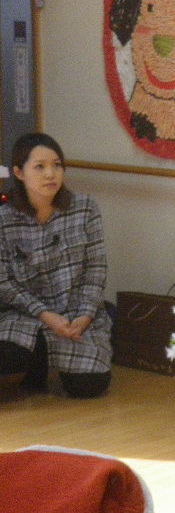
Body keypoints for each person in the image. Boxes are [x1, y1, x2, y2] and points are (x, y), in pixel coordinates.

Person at [0, 133, 112, 399]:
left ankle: (50, 360)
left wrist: (85, 316)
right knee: (8, 357)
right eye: (39, 167)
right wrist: (45, 315)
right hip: (25, 314)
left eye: (57, 165)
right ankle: (34, 363)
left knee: (90, 386)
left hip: (76, 314)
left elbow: (96, 270)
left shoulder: (85, 208)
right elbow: (3, 282)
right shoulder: (4, 217)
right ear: (19, 172)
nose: (50, 174)